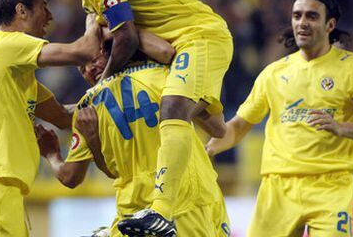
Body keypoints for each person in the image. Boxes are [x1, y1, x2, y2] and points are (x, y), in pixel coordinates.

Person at [29, 0, 233, 234]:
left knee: (174, 110)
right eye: (83, 67)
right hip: (148, 207)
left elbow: (132, 36)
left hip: (184, 202)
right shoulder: (157, 76)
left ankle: (161, 210)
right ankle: (157, 212)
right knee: (175, 110)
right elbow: (217, 126)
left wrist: (101, 84)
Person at [206, 0, 353, 236]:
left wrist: (341, 127)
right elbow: (239, 125)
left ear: (330, 25)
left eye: (312, 16)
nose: (302, 22)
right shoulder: (274, 73)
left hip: (331, 186)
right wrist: (210, 148)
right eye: (297, 15)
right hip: (279, 187)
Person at [0, 0, 104, 237]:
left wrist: (113, 107)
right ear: (21, 11)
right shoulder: (4, 45)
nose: (50, 16)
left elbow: (62, 117)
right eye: (43, 7)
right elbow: (84, 51)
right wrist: (94, 19)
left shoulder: (10, 71)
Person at [36, 43, 231, 237]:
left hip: (137, 212)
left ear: (111, 53)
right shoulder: (166, 76)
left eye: (93, 59)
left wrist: (53, 155)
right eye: (81, 68)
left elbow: (72, 176)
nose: (89, 69)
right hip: (186, 202)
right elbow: (218, 128)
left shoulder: (87, 109)